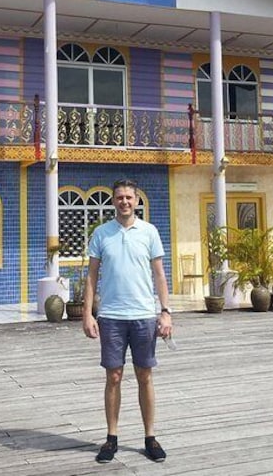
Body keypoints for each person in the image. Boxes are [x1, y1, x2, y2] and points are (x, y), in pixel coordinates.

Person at [82, 178, 173, 464]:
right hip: (111, 317)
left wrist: (166, 311)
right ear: (114, 201)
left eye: (129, 197)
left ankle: (150, 437)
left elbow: (159, 274)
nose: (124, 202)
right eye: (119, 197)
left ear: (136, 201)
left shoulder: (149, 232)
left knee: (145, 375)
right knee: (114, 377)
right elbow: (92, 277)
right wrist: (88, 314)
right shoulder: (101, 233)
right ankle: (111, 438)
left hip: (144, 316)